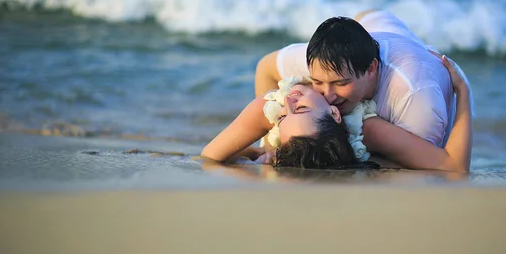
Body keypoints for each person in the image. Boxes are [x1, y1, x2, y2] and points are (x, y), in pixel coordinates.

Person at [254, 10, 466, 165]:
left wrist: (463, 92)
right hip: (379, 27)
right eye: (318, 83)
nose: (326, 96)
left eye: (341, 83)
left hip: (418, 69)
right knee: (366, 16)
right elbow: (266, 68)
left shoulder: (415, 99)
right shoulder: (325, 63)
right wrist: (271, 145)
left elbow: (449, 168)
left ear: (371, 68)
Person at [201, 53, 472, 172]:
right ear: (334, 114)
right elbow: (453, 167)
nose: (290, 102)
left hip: (363, 50)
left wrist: (258, 150)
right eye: (299, 110)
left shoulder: (272, 106)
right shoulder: (369, 129)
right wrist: (463, 92)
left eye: (284, 116)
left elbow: (210, 156)